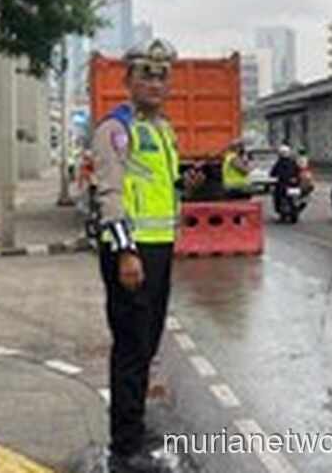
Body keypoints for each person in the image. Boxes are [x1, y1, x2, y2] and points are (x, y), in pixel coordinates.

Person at [86, 38, 202, 473]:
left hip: (159, 249)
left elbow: (158, 189)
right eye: (145, 75)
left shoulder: (162, 129)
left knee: (148, 343)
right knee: (132, 347)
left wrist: (181, 188)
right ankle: (124, 446)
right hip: (131, 254)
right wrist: (126, 252)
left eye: (161, 76)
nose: (155, 83)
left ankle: (134, 427)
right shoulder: (116, 129)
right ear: (127, 81)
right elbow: (110, 196)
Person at [269, 145, 301, 212]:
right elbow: (272, 173)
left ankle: (283, 207)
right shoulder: (292, 162)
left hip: (286, 185)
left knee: (277, 194)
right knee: (277, 194)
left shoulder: (279, 163)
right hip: (289, 184)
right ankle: (283, 207)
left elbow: (272, 173)